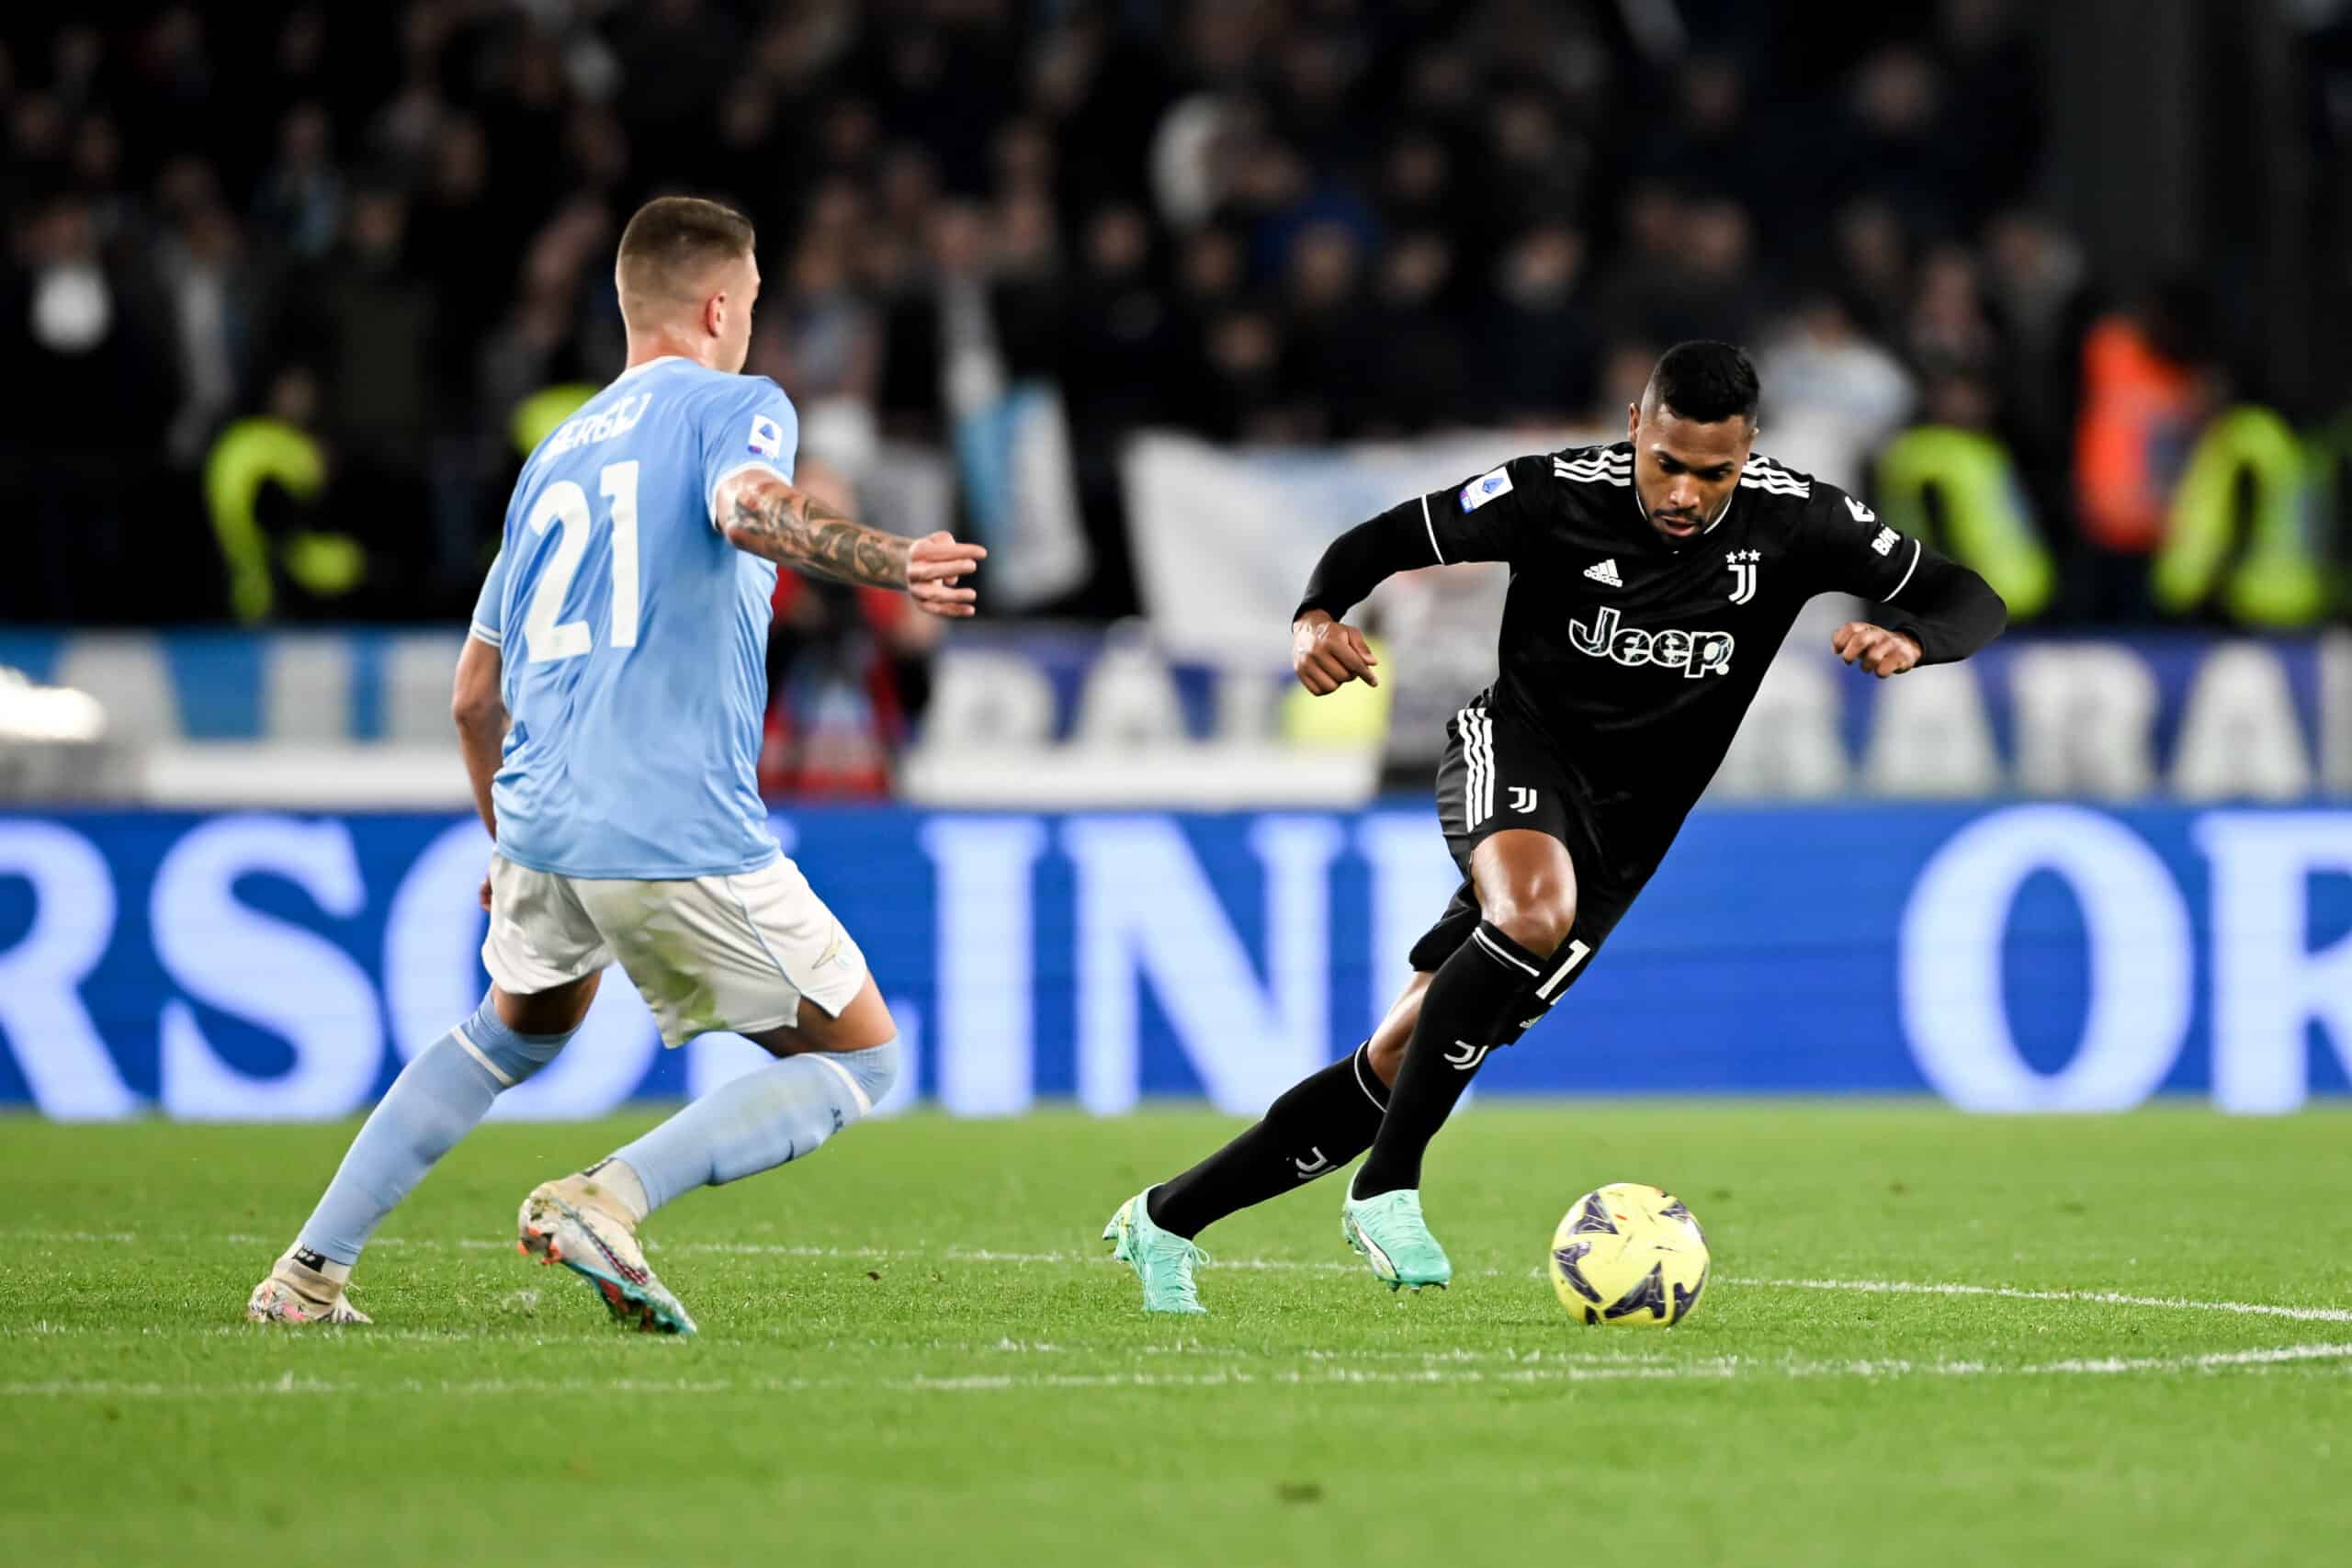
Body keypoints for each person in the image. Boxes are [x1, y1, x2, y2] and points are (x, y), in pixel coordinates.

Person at [1103, 341, 2006, 1312]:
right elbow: (1385, 539)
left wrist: (1913, 638)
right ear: (1635, 427)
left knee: (1402, 1056)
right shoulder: (1552, 494)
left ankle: (1166, 1219)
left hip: (1628, 837)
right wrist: (1315, 616)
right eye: (1666, 463)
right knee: (1533, 912)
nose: (1685, 494)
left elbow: (1970, 597)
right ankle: (1387, 1186)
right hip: (1517, 752)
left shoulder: (1801, 519)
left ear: (1749, 451)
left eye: (1714, 473)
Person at [247, 196, 985, 1335]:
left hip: (542, 817)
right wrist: (892, 559)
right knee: (865, 1062)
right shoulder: (739, 406)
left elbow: (474, 696)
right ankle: (607, 1198)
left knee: (508, 1033)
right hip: (671, 818)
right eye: (751, 301)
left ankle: (305, 1275)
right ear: (720, 307)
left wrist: (507, 842)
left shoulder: (553, 456)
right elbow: (749, 509)